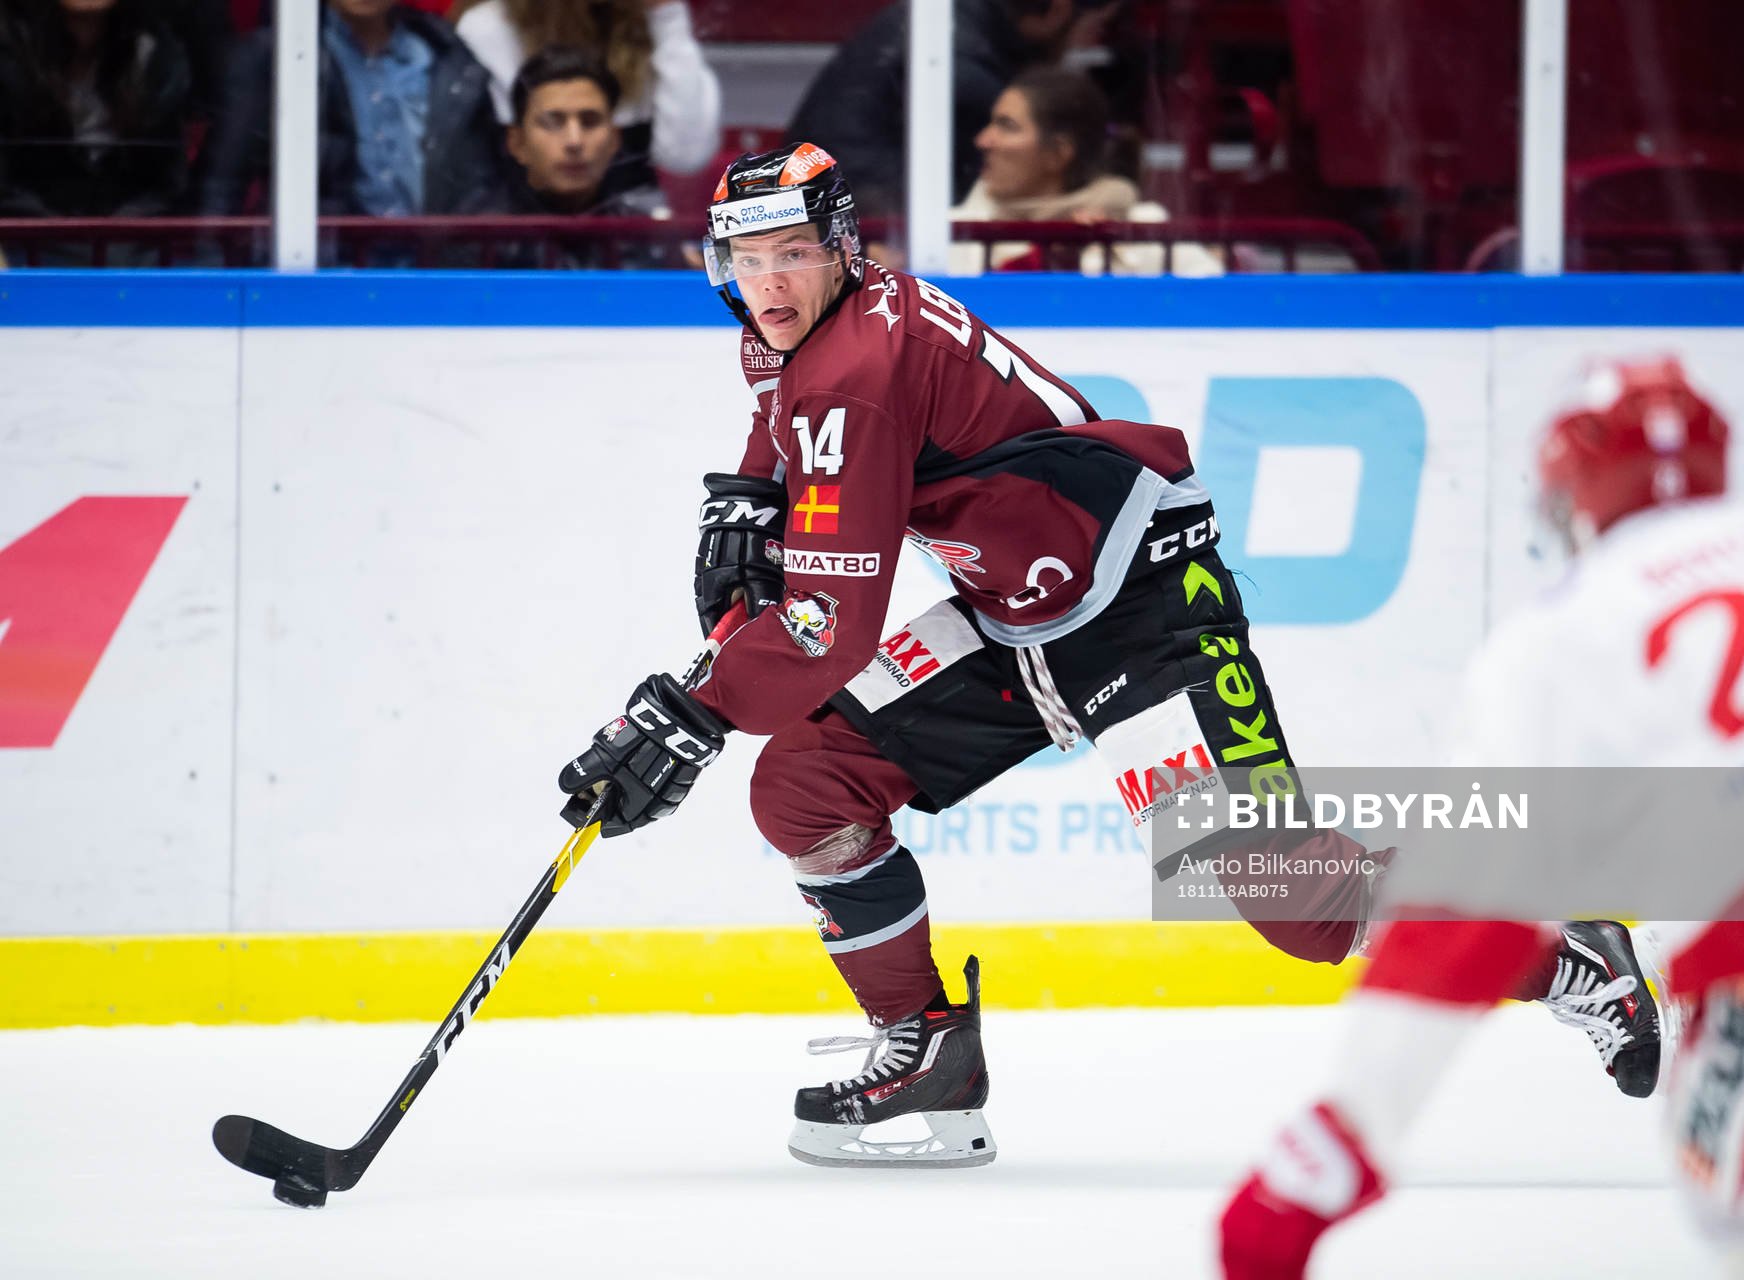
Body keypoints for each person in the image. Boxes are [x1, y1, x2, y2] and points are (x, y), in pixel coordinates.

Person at [551, 141, 1661, 1172]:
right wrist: (756, 489)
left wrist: (685, 711)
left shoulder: (854, 366)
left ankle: (1573, 954)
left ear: (843, 249)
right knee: (808, 781)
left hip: (1145, 610)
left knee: (1299, 902)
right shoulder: (800, 331)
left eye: (794, 252)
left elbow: (827, 628)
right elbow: (787, 421)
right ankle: (927, 1053)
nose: (771, 281)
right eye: (748, 258)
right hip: (1013, 611)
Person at [1218, 359, 1744, 1279]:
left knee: (1741, 1198)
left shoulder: (1558, 637)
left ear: (1569, 495)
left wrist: (1338, 1141)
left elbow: (1465, 911)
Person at [784, 0, 1119, 220]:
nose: (988, 140)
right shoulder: (960, 64)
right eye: (1092, 27)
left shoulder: (956, 29)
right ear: (1059, 10)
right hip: (856, 216)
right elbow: (993, 201)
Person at [198, 0, 501, 218]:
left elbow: (482, 183)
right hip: (323, 279)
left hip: (432, 280)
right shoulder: (279, 56)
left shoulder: (446, 57)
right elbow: (220, 189)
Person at [951, 65, 1220, 276]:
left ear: (1058, 154)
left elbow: (1215, 304)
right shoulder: (950, 231)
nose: (983, 140)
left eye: (1006, 126)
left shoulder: (1142, 229)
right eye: (991, 123)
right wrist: (1049, 257)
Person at [453, 0, 717, 193]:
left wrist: (667, 15)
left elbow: (685, 156)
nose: (574, 140)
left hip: (626, 237)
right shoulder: (489, 28)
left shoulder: (650, 25)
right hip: (518, 238)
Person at [0, 0, 194, 224]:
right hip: (30, 239)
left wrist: (118, 229)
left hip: (131, 240)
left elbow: (166, 184)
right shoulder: (11, 56)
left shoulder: (156, 56)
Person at [477, 45, 670, 268]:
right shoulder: (476, 237)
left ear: (614, 141)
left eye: (590, 121)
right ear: (517, 143)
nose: (574, 141)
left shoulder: (647, 236)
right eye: (553, 123)